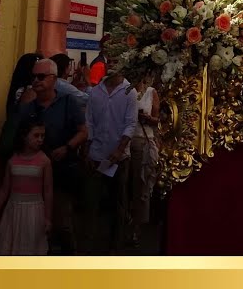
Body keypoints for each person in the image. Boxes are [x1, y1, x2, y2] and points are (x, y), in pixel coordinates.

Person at [14, 59, 87, 254]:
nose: (36, 81)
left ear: (54, 79)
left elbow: (83, 131)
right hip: (34, 177)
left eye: (41, 77)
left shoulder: (68, 102)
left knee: (62, 222)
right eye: (33, 77)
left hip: (62, 171)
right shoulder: (28, 109)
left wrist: (67, 147)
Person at [84, 66, 139, 253]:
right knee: (93, 202)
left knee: (118, 204)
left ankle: (115, 248)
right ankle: (91, 245)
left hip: (119, 158)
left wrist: (120, 149)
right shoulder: (96, 92)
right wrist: (89, 148)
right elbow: (90, 121)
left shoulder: (129, 92)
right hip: (97, 154)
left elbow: (131, 123)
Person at [0, 120, 52, 255]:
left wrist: (48, 217)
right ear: (24, 136)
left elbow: (48, 190)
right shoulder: (13, 160)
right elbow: (5, 189)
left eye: (42, 136)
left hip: (33, 209)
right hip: (14, 208)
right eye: (36, 135)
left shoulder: (44, 161)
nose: (40, 140)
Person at [129, 70, 161, 240]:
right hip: (127, 142)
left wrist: (147, 118)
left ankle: (138, 225)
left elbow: (158, 120)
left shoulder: (151, 92)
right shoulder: (127, 91)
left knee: (141, 185)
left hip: (143, 139)